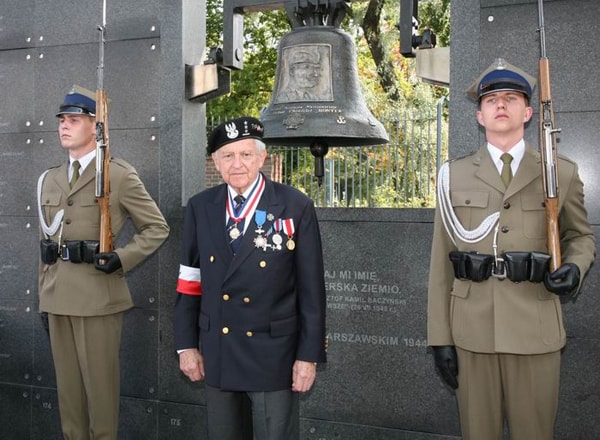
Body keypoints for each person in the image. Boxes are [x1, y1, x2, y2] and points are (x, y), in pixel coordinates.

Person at [427, 58, 595, 439]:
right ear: (480, 116)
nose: (500, 105)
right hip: (472, 333)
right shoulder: (452, 176)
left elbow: (580, 237)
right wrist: (440, 338)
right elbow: (441, 261)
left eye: (511, 98)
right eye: (491, 100)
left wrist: (575, 267)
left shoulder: (560, 171)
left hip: (534, 329)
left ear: (529, 112)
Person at [174, 116, 327, 440]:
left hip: (273, 355)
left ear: (262, 157)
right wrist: (186, 345)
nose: (237, 164)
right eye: (227, 156)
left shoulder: (294, 206)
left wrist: (308, 356)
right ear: (215, 161)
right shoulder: (201, 207)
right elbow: (190, 280)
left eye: (246, 155)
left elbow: (312, 291)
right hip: (219, 351)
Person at [37, 85, 170, 440]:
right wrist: (43, 297)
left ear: (96, 127)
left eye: (75, 119)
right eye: (62, 120)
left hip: (97, 300)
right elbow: (47, 245)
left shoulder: (118, 175)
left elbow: (157, 227)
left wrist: (121, 258)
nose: (64, 125)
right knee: (69, 399)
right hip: (58, 298)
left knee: (100, 398)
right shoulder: (49, 178)